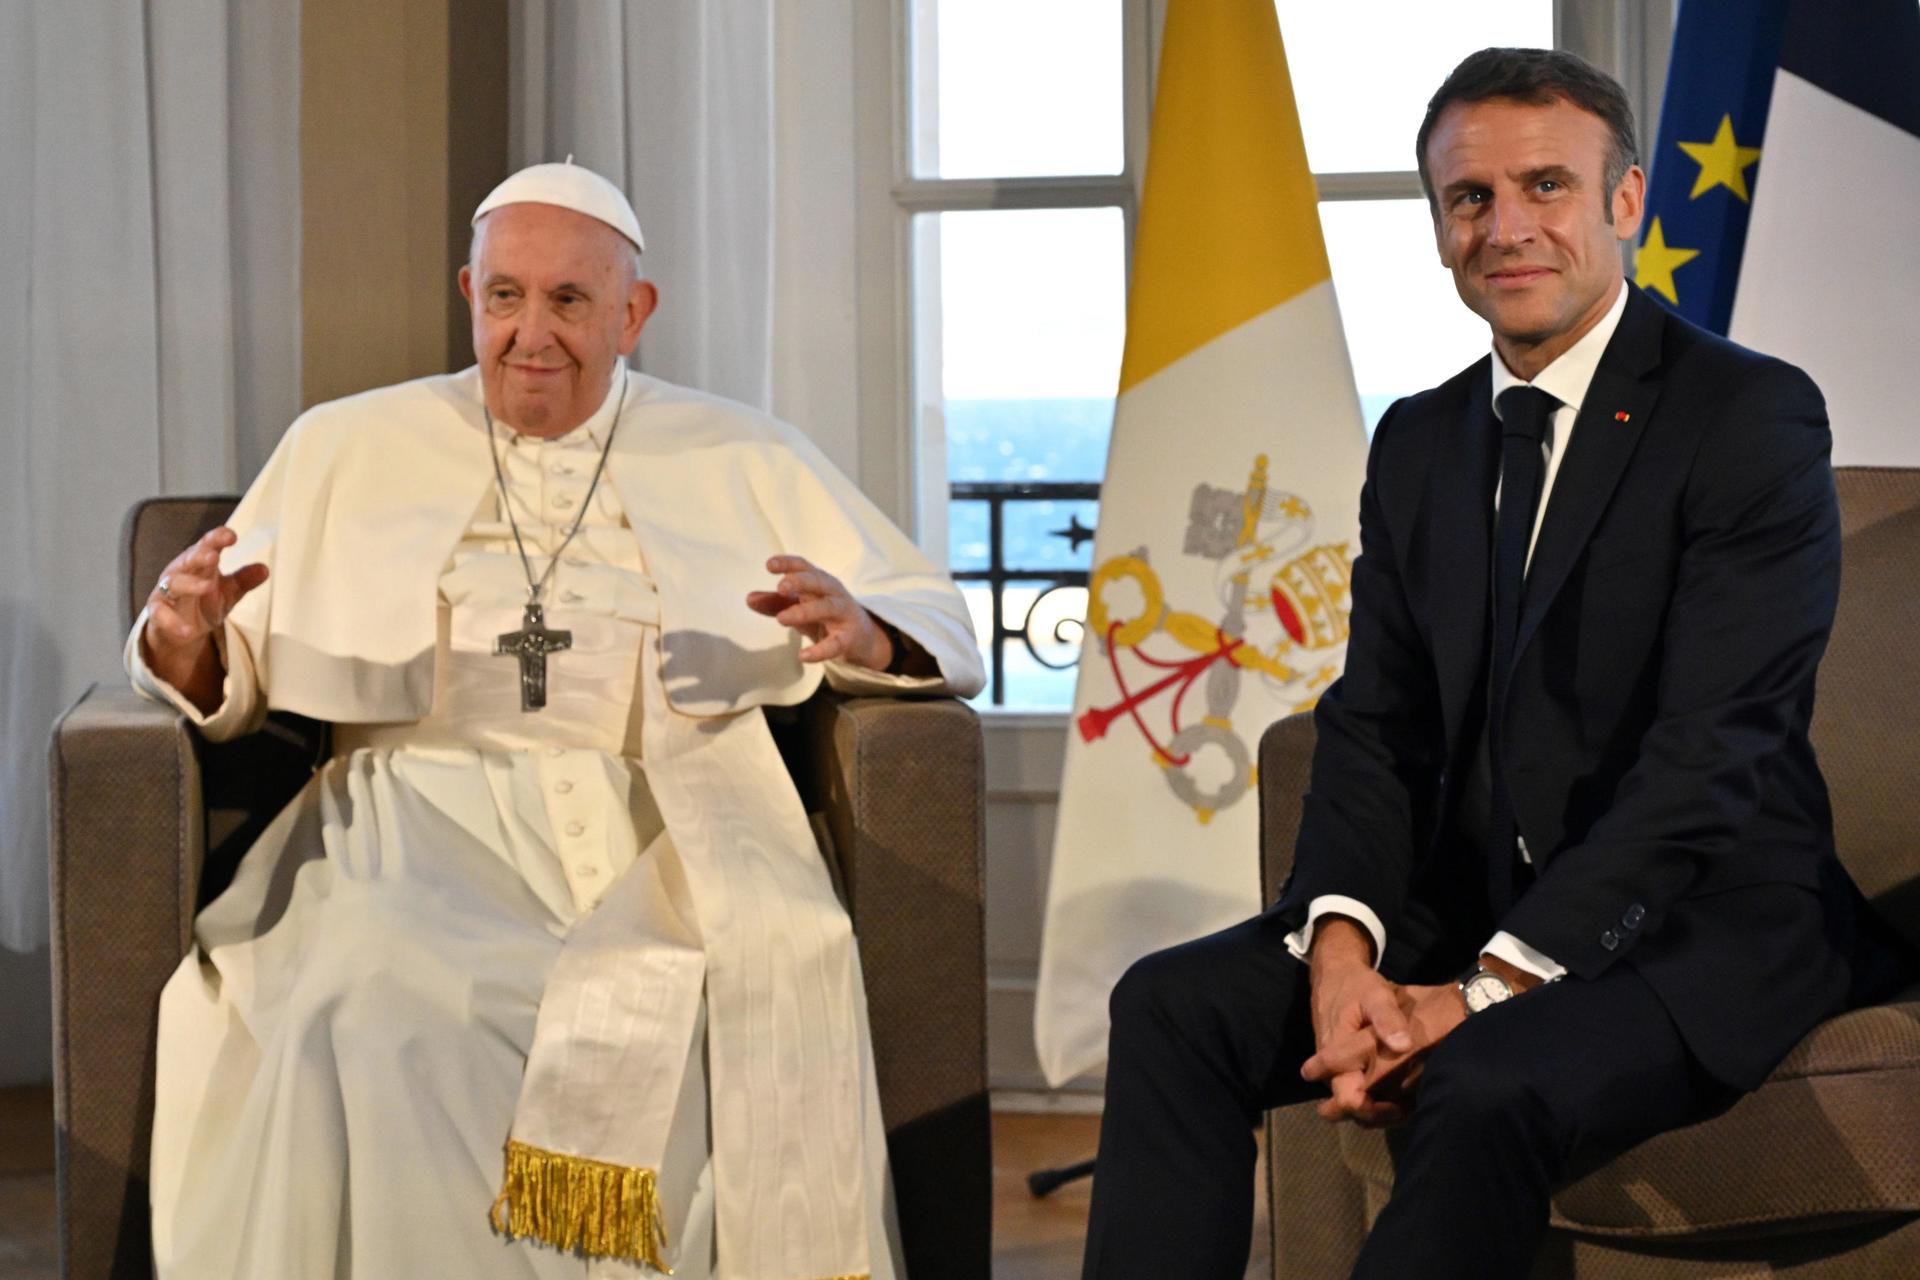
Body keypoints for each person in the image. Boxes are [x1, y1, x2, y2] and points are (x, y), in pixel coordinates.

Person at [1079, 47, 1912, 1279]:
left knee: (1477, 1078)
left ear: (1627, 204)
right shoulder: (1420, 438)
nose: (1507, 228)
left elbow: (1714, 751)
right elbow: (1377, 724)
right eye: (1471, 199)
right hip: (1467, 903)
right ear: (1437, 226)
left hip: (1696, 920)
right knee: (1172, 1001)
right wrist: (1346, 948)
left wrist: (1479, 989)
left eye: (1547, 188)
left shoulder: (1750, 415)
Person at [130, 160, 984, 1280]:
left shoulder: (743, 450)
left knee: (724, 988)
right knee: (368, 991)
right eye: (505, 296)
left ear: (635, 312)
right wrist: (185, 631)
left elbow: (929, 611)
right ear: (469, 293)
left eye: (570, 302)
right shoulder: (347, 443)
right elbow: (221, 660)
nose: (532, 333)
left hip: (666, 803)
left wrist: (866, 632)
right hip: (413, 805)